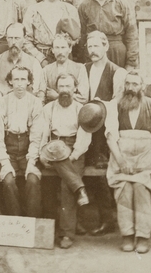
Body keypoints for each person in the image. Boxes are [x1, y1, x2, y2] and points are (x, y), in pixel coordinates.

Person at [107, 71, 151, 254]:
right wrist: (120, 161)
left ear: (142, 87)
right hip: (121, 157)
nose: (131, 88)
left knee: (141, 189)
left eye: (135, 84)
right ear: (124, 85)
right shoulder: (115, 105)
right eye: (128, 84)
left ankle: (142, 237)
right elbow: (111, 137)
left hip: (145, 158)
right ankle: (127, 235)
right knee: (125, 189)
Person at [83, 30, 127, 236]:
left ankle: (110, 219)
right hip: (88, 129)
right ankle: (97, 218)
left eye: (96, 46)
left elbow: (117, 102)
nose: (92, 50)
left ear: (106, 46)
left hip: (110, 129)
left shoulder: (117, 72)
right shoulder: (84, 69)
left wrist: (102, 106)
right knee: (89, 174)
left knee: (105, 174)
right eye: (90, 47)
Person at [39, 73, 90, 249]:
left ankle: (66, 234)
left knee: (66, 187)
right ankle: (80, 188)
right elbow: (43, 133)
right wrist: (42, 154)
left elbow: (84, 139)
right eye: (61, 87)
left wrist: (74, 155)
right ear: (56, 89)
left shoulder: (81, 109)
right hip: (53, 146)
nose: (65, 90)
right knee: (49, 185)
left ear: (75, 88)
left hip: (74, 147)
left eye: (68, 86)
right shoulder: (49, 108)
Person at [0, 66, 43, 218]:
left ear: (29, 82)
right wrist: (5, 163)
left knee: (33, 180)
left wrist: (32, 161)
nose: (20, 84)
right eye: (16, 79)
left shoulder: (35, 102)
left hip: (28, 150)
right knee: (8, 181)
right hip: (8, 151)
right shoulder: (2, 102)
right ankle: (15, 222)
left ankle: (32, 222)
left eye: (23, 79)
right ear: (10, 81)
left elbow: (36, 137)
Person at [78, 0, 138, 69]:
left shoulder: (122, 4)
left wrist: (131, 62)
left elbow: (131, 34)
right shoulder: (85, 6)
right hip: (93, 49)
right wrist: (82, 58)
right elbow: (82, 35)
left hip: (116, 50)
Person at [22, 0, 81, 67]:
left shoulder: (70, 9)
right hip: (40, 56)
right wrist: (40, 59)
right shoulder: (33, 10)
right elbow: (25, 39)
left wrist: (63, 47)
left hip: (64, 56)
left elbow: (77, 37)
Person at [0, 22, 45, 100]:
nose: (13, 42)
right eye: (10, 38)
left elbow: (38, 93)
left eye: (17, 38)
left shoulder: (34, 63)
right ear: (6, 38)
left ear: (24, 38)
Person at [41, 33, 89, 105]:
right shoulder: (46, 70)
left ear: (70, 49)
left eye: (63, 47)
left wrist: (57, 96)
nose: (60, 52)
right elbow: (41, 96)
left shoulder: (80, 68)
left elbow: (84, 98)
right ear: (53, 50)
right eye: (57, 47)